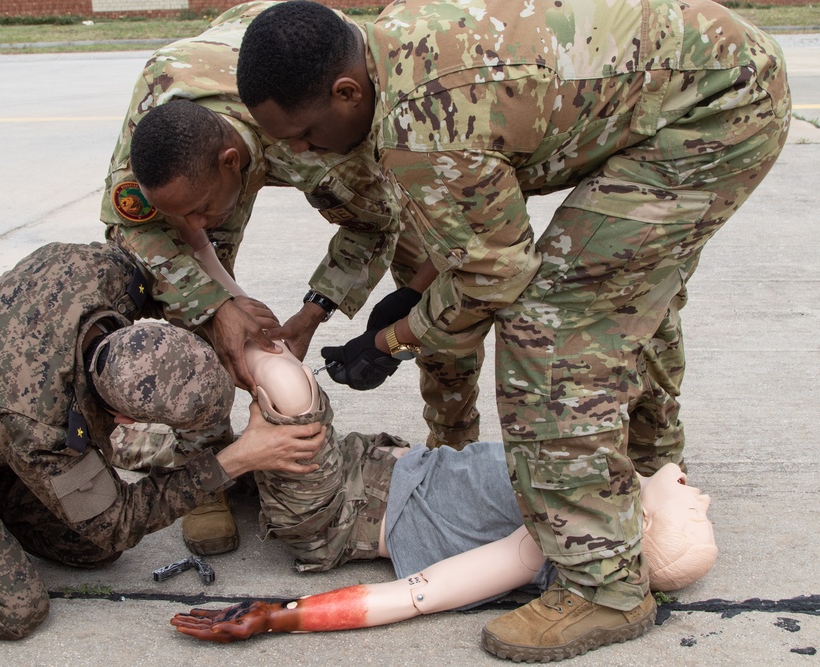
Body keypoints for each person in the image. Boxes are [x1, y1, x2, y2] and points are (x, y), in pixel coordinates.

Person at [235, 0, 789, 659]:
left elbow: (494, 279)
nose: (299, 152)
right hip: (714, 77)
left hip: (717, 109)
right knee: (626, 285)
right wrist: (411, 303)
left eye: (300, 133)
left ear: (346, 91)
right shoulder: (393, 41)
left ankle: (602, 586)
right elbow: (484, 204)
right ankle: (651, 459)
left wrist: (392, 338)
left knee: (550, 329)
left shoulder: (418, 122)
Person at [102, 0, 484, 557]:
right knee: (179, 301)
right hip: (206, 121)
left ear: (235, 163)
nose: (193, 228)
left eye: (202, 210)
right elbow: (131, 228)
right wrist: (212, 301)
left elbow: (374, 225)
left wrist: (315, 310)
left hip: (299, 85)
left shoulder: (325, 142)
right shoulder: (163, 107)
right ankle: (200, 463)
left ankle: (453, 446)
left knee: (432, 292)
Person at [0, 240, 325, 640]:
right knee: (9, 607)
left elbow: (158, 256)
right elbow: (115, 523)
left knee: (86, 551)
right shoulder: (40, 425)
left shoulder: (101, 274)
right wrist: (235, 459)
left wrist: (221, 308)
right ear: (125, 416)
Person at [169, 453, 716, 644]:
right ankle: (229, 473)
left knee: (279, 375)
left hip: (342, 504)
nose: (705, 498)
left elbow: (419, 595)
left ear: (639, 523)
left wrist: (280, 617)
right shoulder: (600, 478)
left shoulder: (554, 536)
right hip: (372, 469)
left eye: (694, 512)